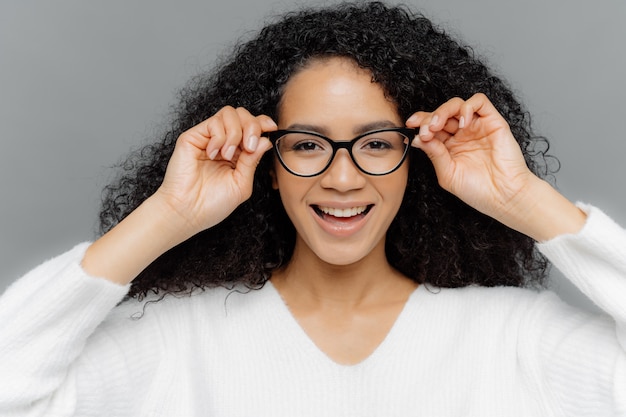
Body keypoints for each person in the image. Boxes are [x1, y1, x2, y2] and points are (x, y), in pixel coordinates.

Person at [1, 1, 624, 416]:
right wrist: (168, 214)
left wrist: (524, 200)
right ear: (267, 166)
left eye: (378, 144)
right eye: (306, 145)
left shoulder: (515, 337)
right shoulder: (172, 337)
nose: (344, 177)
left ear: (418, 161)